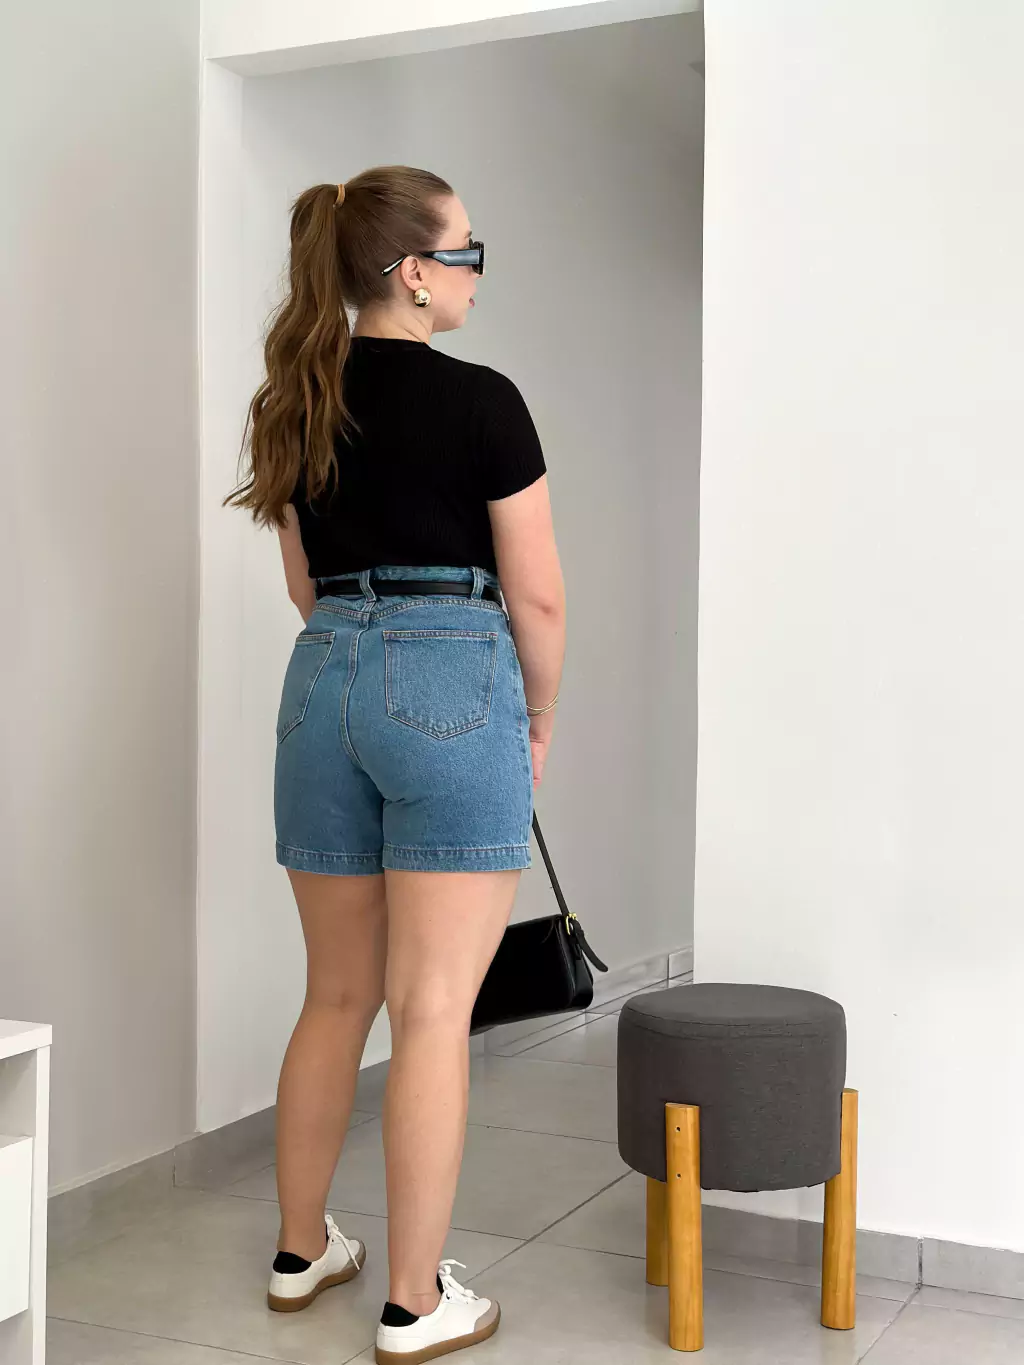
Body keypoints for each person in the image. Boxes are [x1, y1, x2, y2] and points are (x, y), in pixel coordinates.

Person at [225, 166, 565, 1364]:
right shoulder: (484, 401)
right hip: (451, 678)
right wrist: (534, 719)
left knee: (335, 995)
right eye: (468, 250)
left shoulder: (294, 399)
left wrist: (363, 661)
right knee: (431, 1008)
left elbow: (303, 588)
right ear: (416, 273)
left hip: (321, 681)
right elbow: (536, 597)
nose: (476, 271)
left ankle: (299, 1250)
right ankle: (416, 1303)